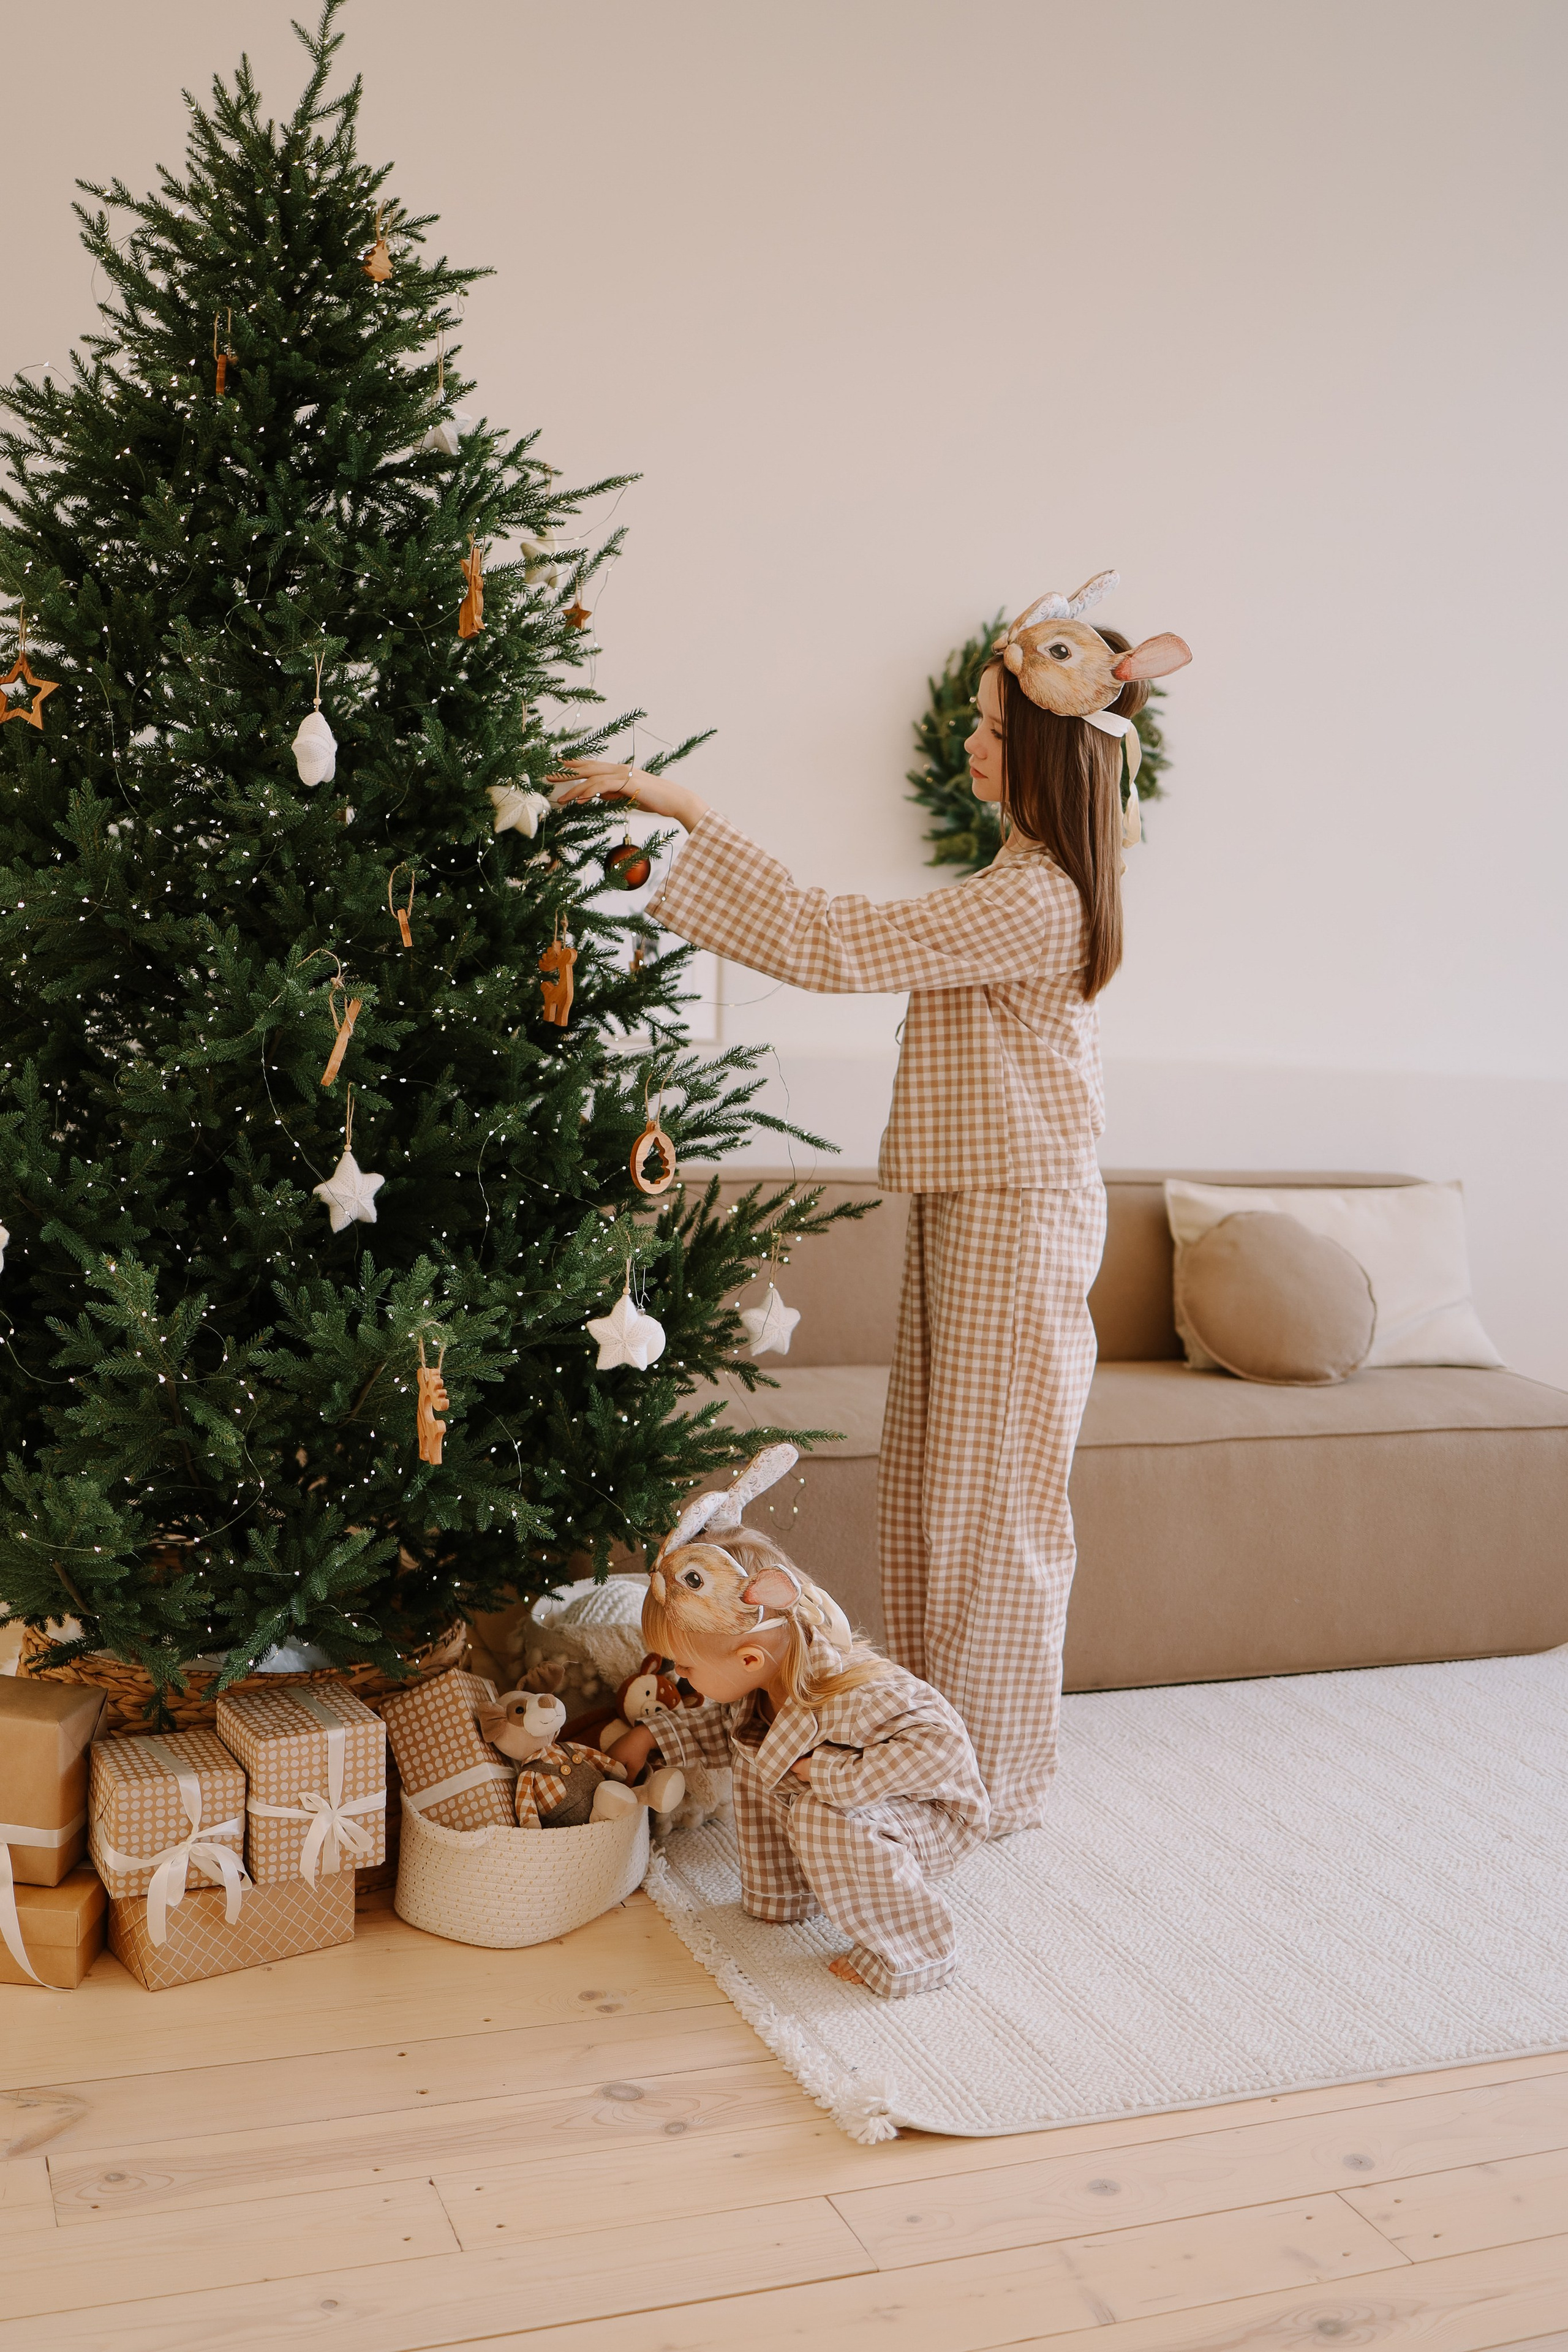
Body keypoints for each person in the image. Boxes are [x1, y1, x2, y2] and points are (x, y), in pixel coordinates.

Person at [556, 572, 1190, 1833]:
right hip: (983, 1205)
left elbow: (832, 941)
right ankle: (933, 1743)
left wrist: (681, 810)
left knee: (993, 1517)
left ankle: (987, 1780)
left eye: (990, 730)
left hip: (1015, 1217)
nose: (969, 741)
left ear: (1047, 758)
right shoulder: (1026, 882)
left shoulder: (1029, 899)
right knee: (938, 1499)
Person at [605, 1444, 989, 1997]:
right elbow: (719, 1732)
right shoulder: (761, 1686)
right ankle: (783, 1895)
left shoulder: (853, 1694)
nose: (681, 1681)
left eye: (685, 1669)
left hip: (936, 1813)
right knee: (758, 1752)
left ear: (749, 1660)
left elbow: (942, 1749)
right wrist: (650, 1735)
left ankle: (917, 1951)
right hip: (876, 1796)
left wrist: (836, 1776)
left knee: (816, 1810)